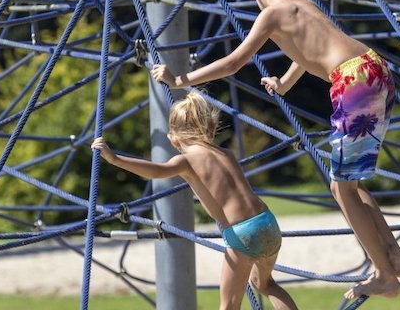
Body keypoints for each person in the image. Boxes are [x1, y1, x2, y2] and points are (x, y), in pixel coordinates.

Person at [151, 0, 400, 300]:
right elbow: (310, 52)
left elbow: (232, 63)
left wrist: (180, 80)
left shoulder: (270, 15)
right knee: (350, 178)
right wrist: (284, 83)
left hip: (351, 80)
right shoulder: (303, 5)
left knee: (341, 187)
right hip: (374, 68)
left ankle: (384, 274)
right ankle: (393, 256)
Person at [91, 91, 298, 310]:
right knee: (265, 284)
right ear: (211, 129)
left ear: (173, 139)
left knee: (229, 305)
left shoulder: (187, 160)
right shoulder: (226, 153)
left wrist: (114, 159)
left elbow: (155, 171)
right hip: (267, 222)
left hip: (241, 233)